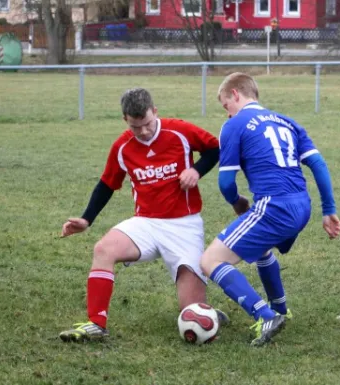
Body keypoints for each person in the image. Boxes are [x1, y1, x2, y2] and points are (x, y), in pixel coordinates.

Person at [59, 88, 227, 342]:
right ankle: (96, 324)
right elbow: (107, 184)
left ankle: (208, 312)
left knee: (190, 310)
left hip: (185, 225)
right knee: (103, 249)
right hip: (145, 223)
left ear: (155, 112)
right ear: (126, 120)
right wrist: (86, 219)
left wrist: (196, 170)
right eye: (136, 127)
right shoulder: (122, 146)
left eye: (147, 124)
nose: (144, 131)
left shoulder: (178, 131)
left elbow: (214, 148)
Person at [200, 72, 340, 346]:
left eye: (225, 105)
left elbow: (226, 182)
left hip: (273, 206)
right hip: (302, 205)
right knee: (261, 247)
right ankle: (279, 308)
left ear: (235, 95)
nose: (227, 113)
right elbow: (319, 165)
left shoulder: (233, 125)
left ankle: (264, 315)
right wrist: (329, 209)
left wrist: (237, 202)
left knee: (210, 261)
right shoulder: (287, 121)